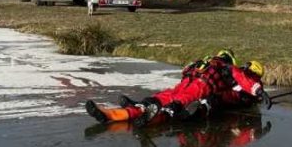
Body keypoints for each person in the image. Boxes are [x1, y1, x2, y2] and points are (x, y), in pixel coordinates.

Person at [85, 51, 270, 127]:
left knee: (166, 97)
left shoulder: (212, 63)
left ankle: (116, 113)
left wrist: (257, 92)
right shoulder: (229, 69)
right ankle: (149, 114)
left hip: (188, 82)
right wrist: (259, 92)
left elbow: (186, 70)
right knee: (175, 104)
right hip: (201, 85)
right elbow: (243, 82)